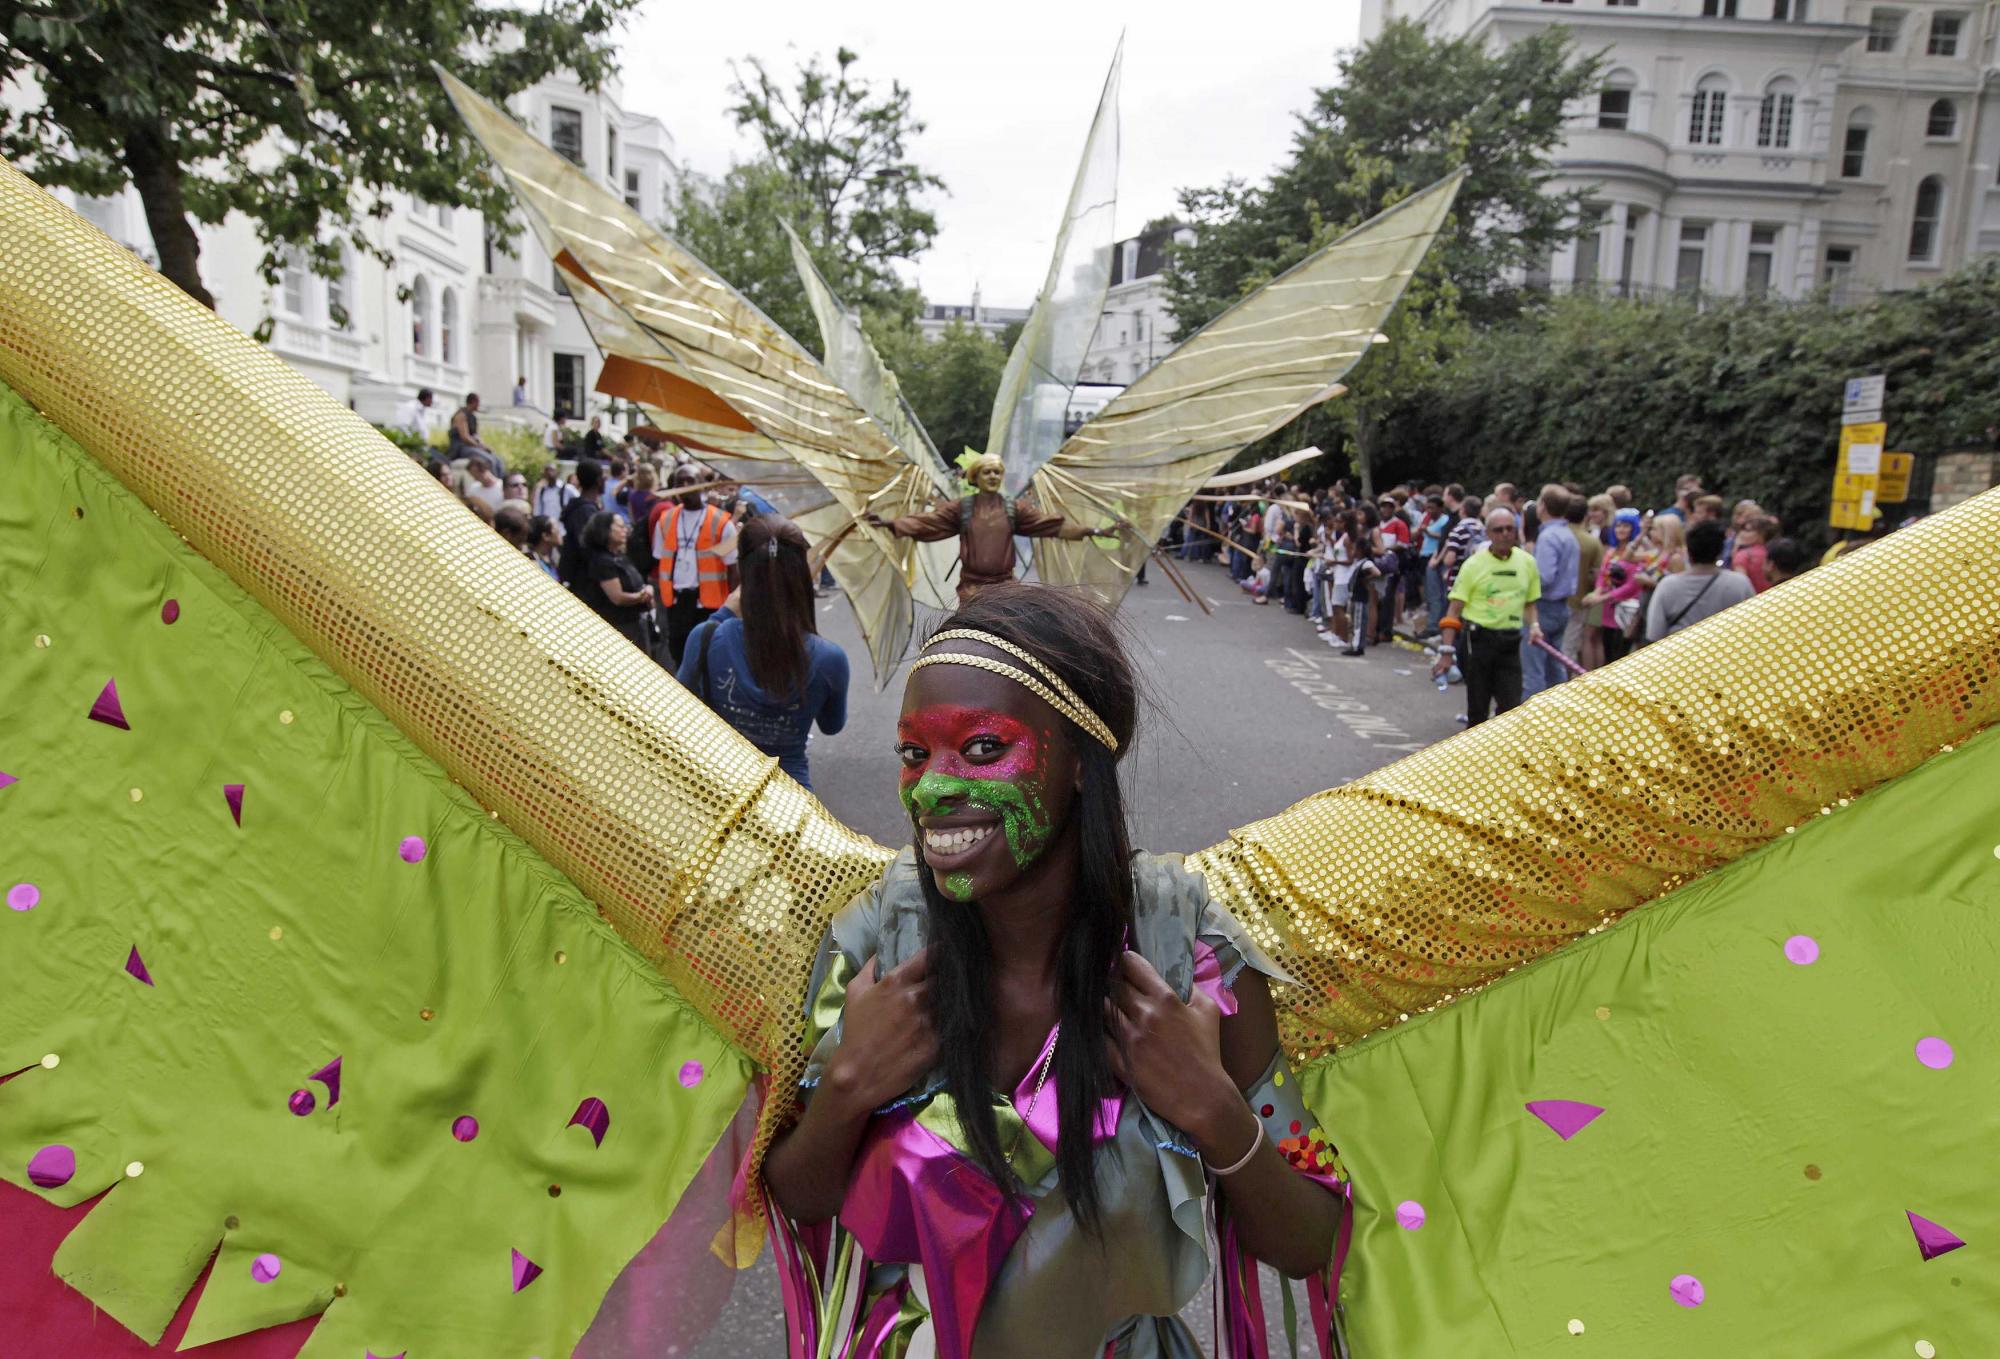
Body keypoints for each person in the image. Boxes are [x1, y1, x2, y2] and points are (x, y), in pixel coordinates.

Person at [763, 583, 1348, 1357]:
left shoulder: (1187, 956)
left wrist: (1212, 1108)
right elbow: (800, 1193)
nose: (932, 788)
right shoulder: (882, 941)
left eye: (981, 749)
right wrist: (846, 1086)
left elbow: (1308, 1238)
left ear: (1079, 762)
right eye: (914, 753)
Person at [676, 515, 850, 791]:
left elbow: (680, 707)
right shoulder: (830, 659)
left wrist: (722, 613)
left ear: (743, 571)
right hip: (790, 795)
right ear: (801, 576)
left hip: (720, 789)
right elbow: (831, 725)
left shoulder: (707, 637)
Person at [869, 452, 1120, 606]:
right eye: (987, 472)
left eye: (997, 472)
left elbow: (1053, 526)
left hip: (1006, 587)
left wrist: (1096, 531)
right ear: (975, 477)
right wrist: (891, 524)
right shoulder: (962, 508)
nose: (992, 476)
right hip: (971, 590)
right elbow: (927, 522)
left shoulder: (1014, 509)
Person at [1431, 507, 1542, 727]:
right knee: (1478, 709)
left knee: (1510, 708)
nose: (1505, 534)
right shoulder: (1473, 565)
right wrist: (1446, 652)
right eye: (1499, 530)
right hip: (1479, 641)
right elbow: (1454, 610)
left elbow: (1530, 602)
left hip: (1510, 642)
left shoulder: (1527, 562)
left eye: (1510, 529)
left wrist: (1535, 625)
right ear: (1489, 534)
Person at [650, 467, 739, 665]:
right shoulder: (665, 520)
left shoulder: (722, 522)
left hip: (709, 604)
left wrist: (733, 608)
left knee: (709, 657)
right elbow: (660, 560)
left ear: (702, 485)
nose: (684, 487)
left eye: (690, 481)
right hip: (677, 602)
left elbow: (733, 568)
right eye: (679, 482)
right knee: (679, 654)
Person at [1646, 518, 1754, 641]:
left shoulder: (1668, 585)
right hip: (1726, 654)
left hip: (1682, 655)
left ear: (1689, 550)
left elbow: (1654, 633)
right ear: (1720, 550)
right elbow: (1752, 629)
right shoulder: (1740, 584)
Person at [1522, 485, 1577, 696]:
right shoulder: (1568, 534)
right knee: (1555, 667)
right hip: (1562, 607)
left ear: (1543, 506)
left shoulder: (1548, 537)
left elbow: (1543, 577)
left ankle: (1530, 722)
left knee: (1534, 670)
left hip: (1543, 607)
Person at [574, 510, 655, 646]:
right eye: (620, 526)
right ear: (605, 530)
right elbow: (618, 597)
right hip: (621, 626)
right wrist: (643, 596)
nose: (625, 530)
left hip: (637, 622)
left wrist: (647, 589)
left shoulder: (620, 557)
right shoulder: (602, 562)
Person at [1582, 509, 1646, 667]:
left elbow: (1632, 586)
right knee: (1607, 649)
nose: (1621, 530)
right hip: (1607, 610)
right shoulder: (1611, 551)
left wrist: (1601, 597)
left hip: (1626, 611)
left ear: (1633, 528)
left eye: (1625, 526)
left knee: (1621, 655)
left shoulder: (1639, 554)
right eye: (1618, 526)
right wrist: (1596, 592)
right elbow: (1602, 577)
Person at [1563, 491, 1603, 665]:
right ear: (1585, 515)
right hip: (1580, 600)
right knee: (1572, 647)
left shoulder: (1555, 537)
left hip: (1554, 600)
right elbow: (1598, 575)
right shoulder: (1592, 542)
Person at [556, 459, 605, 587]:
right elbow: (587, 546)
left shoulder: (587, 506)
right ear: (599, 480)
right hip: (583, 580)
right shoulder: (585, 510)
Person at [447, 392, 501, 476]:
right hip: (460, 448)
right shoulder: (461, 415)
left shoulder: (473, 417)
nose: (479, 404)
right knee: (489, 460)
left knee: (498, 460)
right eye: (478, 402)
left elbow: (476, 436)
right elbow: (464, 437)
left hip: (471, 446)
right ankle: (492, 485)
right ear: (473, 401)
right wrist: (479, 447)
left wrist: (484, 446)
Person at [1732, 515, 1776, 593]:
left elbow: (1741, 587)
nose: (1742, 533)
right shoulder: (1775, 550)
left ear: (1762, 533)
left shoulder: (1743, 555)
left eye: (1748, 530)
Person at [527, 514, 561, 580]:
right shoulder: (532, 561)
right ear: (546, 536)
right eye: (556, 529)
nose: (559, 532)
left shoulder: (553, 559)